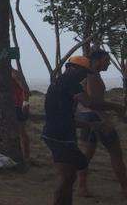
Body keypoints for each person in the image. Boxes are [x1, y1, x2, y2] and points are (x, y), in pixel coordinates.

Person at [42, 56, 124, 205]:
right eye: (83, 72)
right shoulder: (70, 82)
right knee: (66, 177)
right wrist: (116, 107)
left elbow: (62, 117)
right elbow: (90, 103)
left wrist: (90, 126)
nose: (84, 76)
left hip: (56, 133)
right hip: (60, 136)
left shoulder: (58, 82)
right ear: (73, 68)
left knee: (71, 174)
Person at [77, 49, 127, 198]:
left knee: (87, 154)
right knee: (116, 152)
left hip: (84, 116)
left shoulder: (88, 75)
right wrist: (106, 118)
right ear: (97, 61)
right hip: (95, 117)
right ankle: (125, 188)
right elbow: (93, 102)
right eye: (106, 60)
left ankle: (82, 187)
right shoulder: (92, 76)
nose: (109, 63)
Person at [12, 68, 31, 161]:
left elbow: (26, 90)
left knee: (21, 132)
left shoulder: (14, 74)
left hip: (19, 106)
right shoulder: (3, 74)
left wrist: (25, 103)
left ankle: (26, 157)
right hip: (12, 106)